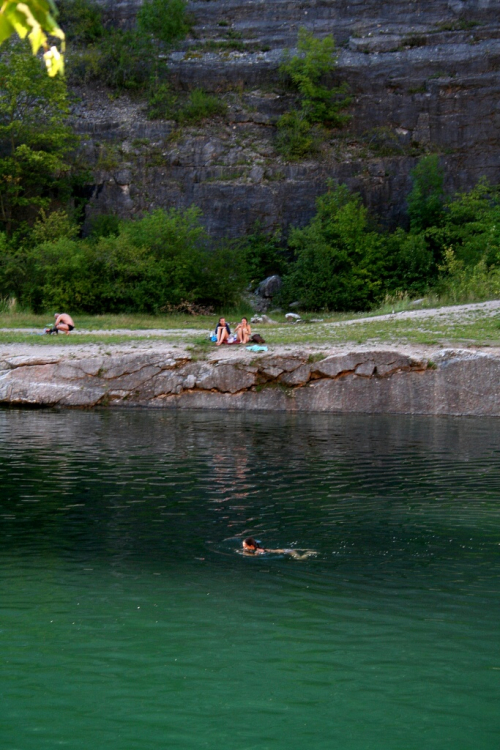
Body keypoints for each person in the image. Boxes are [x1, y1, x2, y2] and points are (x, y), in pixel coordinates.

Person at [241, 537, 316, 559]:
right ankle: (306, 550)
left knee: (299, 559)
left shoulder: (259, 550)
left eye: (244, 546)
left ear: (250, 546)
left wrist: (255, 555)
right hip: (287, 550)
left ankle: (308, 553)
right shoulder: (257, 548)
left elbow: (255, 555)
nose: (243, 547)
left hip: (288, 551)